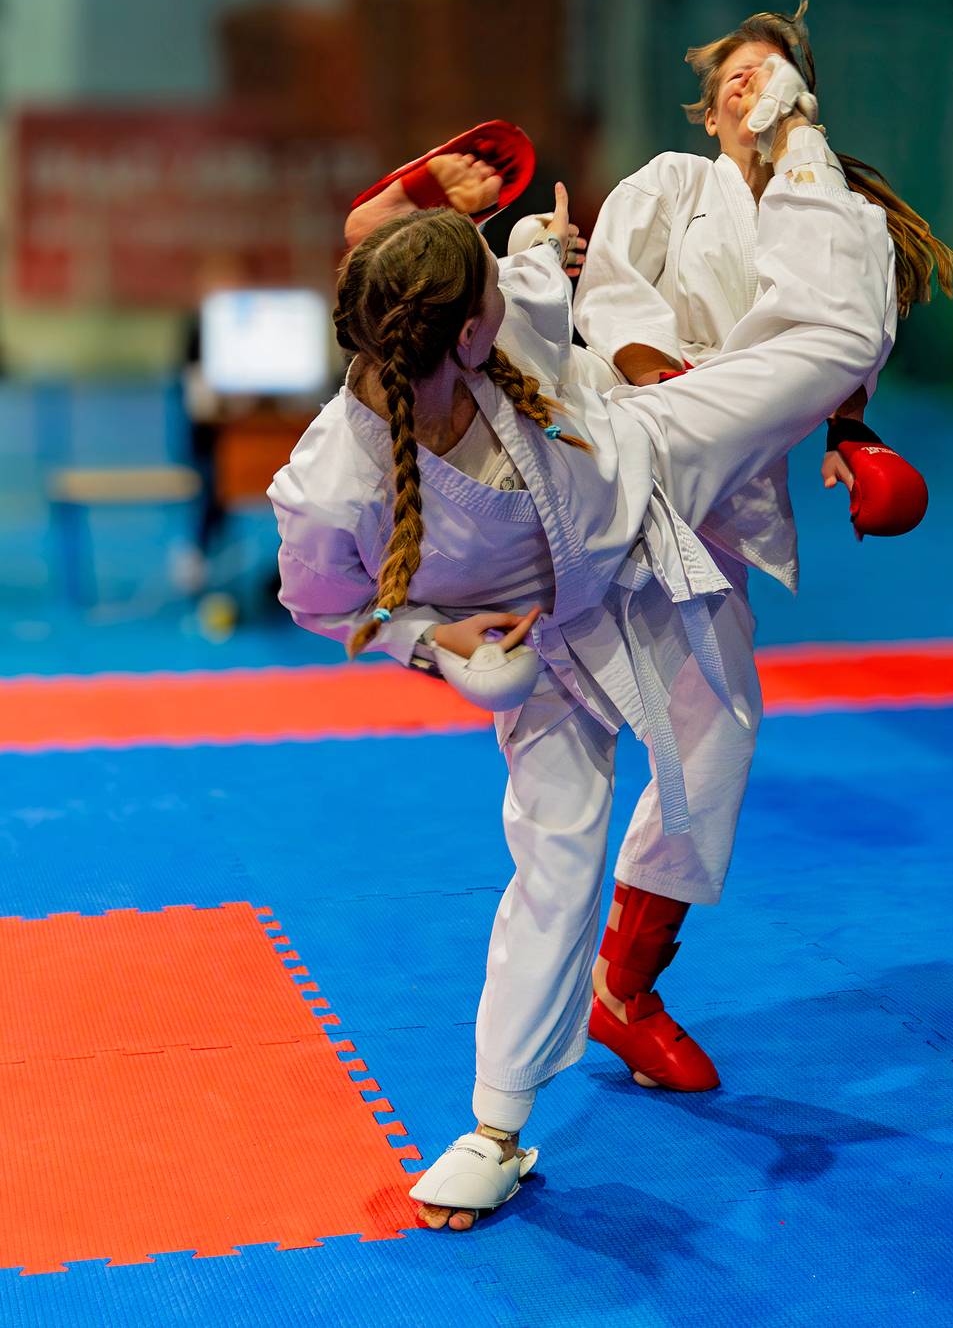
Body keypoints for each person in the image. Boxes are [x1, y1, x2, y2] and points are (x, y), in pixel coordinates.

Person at [268, 84, 894, 1230]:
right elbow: (323, 607)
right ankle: (494, 1128)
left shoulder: (501, 319)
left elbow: (526, 285)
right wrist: (434, 639)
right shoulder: (329, 485)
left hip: (643, 469)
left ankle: (802, 142)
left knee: (836, 343)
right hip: (540, 647)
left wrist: (535, 246)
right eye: (491, 287)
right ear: (467, 333)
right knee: (555, 862)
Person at [572, 3, 953, 1093]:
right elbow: (613, 294)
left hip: (720, 499)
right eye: (734, 78)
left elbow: (841, 330)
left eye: (770, 74)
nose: (749, 85)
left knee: (716, 730)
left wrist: (851, 434)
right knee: (557, 715)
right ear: (708, 113)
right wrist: (662, 377)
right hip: (637, 440)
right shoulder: (670, 185)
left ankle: (623, 985)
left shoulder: (835, 212)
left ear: (803, 100)